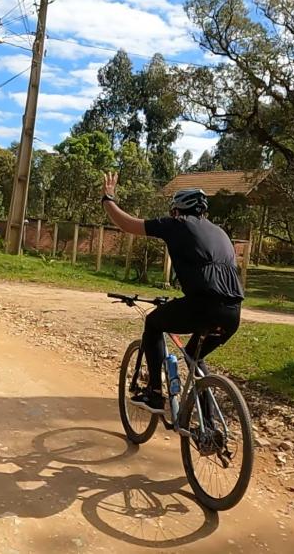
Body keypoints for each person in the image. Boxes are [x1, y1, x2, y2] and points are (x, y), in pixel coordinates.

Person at [100, 172, 244, 412]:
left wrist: (108, 199)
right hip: (232, 313)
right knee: (194, 357)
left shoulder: (175, 224)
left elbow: (127, 224)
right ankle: (210, 427)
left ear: (177, 210)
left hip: (202, 307)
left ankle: (155, 394)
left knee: (154, 323)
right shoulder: (221, 233)